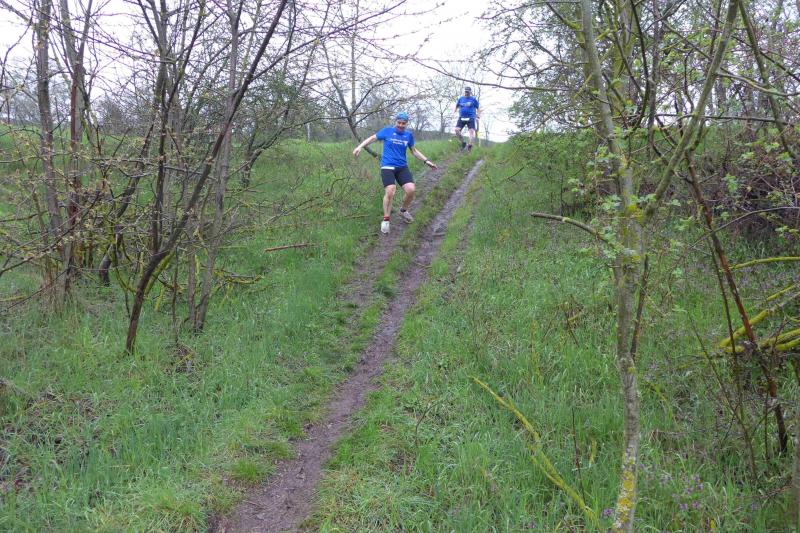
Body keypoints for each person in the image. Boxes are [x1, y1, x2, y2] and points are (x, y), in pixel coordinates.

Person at [352, 111, 438, 235]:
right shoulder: (387, 131)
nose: (401, 125)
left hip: (402, 167)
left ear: (406, 124)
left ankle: (403, 211)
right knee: (390, 191)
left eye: (403, 123)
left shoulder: (408, 135)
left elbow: (414, 151)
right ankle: (386, 219)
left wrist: (426, 161)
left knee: (411, 190)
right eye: (399, 122)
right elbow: (372, 138)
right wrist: (359, 147)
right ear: (395, 122)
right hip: (387, 166)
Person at [454, 86, 480, 151]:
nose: (466, 93)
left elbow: (478, 108)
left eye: (468, 92)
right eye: (466, 92)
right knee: (457, 130)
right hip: (462, 118)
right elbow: (457, 106)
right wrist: (454, 111)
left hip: (471, 118)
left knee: (471, 132)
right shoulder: (461, 99)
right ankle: (463, 143)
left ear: (470, 92)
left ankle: (470, 146)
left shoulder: (473, 99)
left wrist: (478, 115)